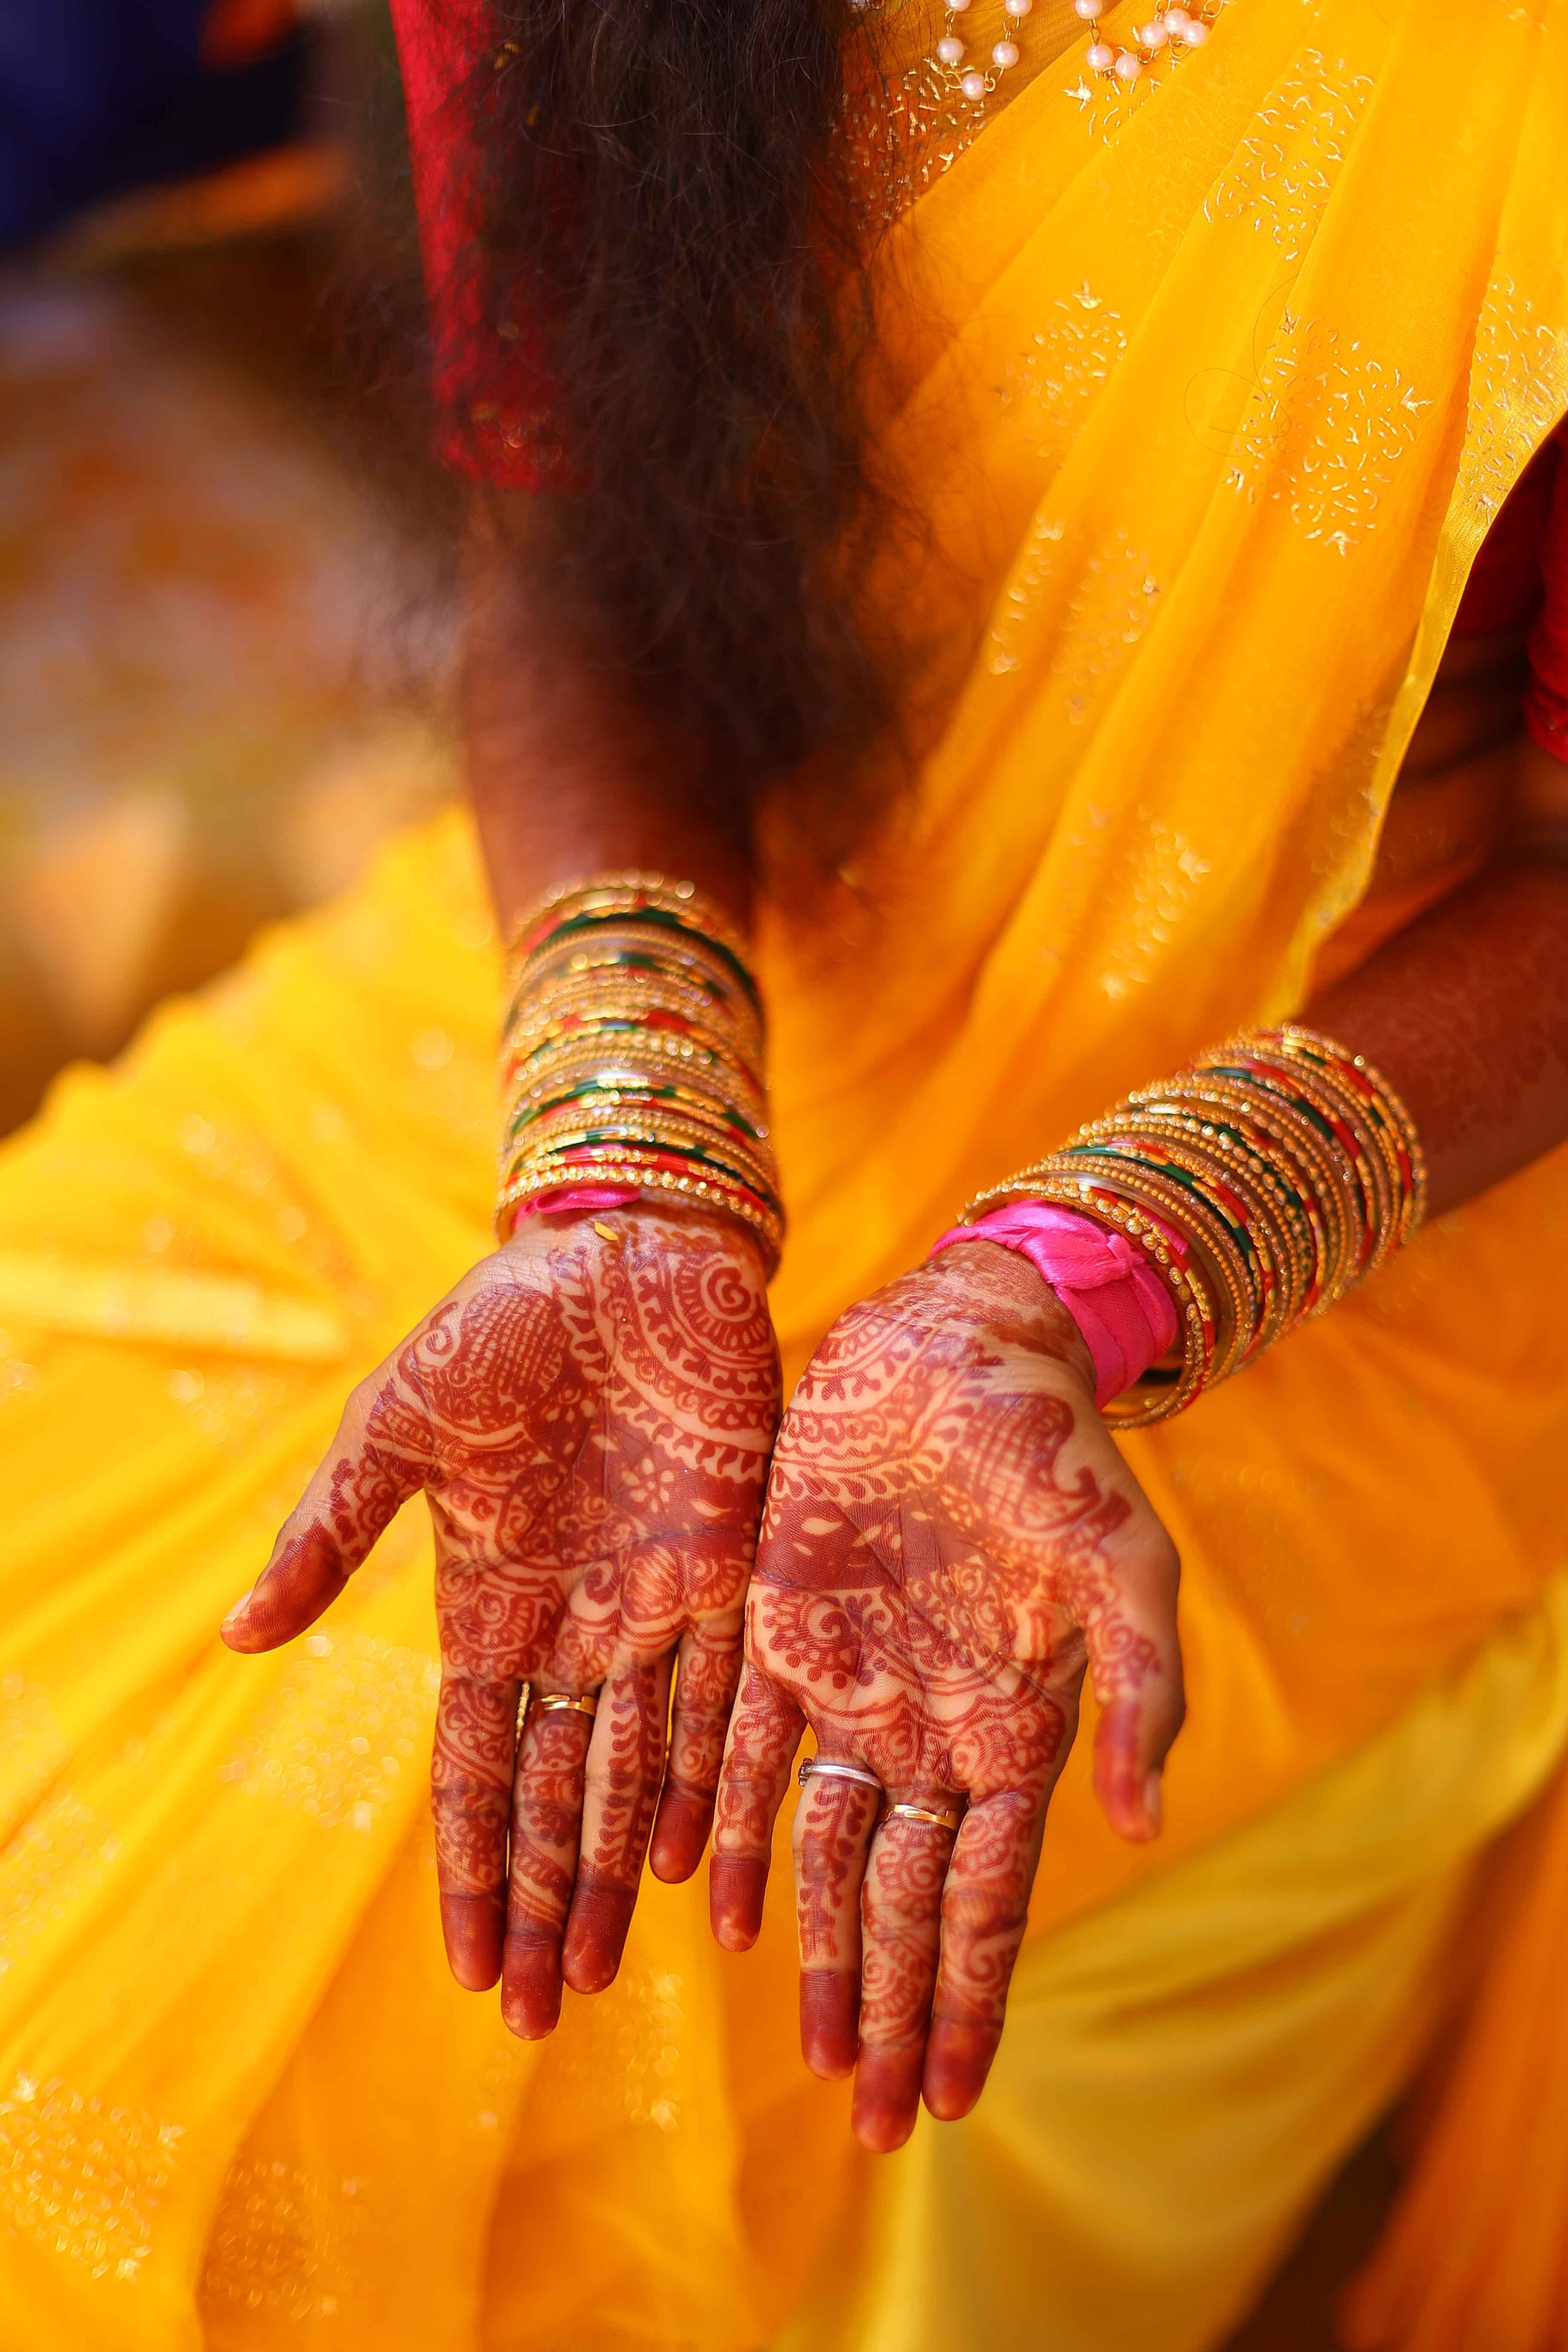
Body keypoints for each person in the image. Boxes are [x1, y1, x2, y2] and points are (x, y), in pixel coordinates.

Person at [0, 1, 1565, 2346]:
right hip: (643, 982)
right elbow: (576, 564)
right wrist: (630, 1162)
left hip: (1353, 1207)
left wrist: (1072, 1283)